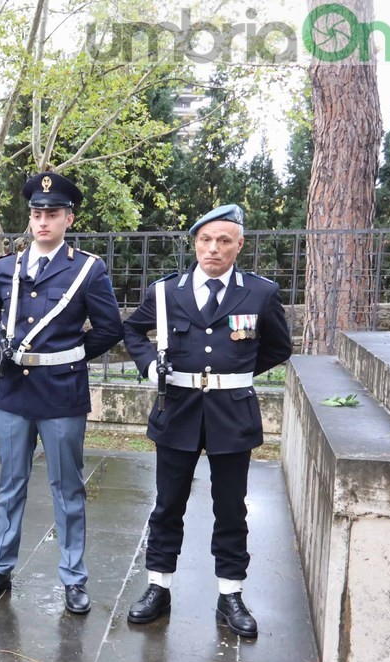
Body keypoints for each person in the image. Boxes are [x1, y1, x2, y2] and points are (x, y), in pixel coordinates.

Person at [123, 203, 292, 638]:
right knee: (167, 506)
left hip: (232, 414)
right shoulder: (167, 291)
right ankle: (158, 587)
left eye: (223, 241)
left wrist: (235, 374)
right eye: (205, 240)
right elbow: (132, 331)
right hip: (176, 410)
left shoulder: (259, 293)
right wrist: (147, 366)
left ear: (238, 245)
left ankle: (230, 594)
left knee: (231, 510)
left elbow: (279, 347)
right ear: (194, 243)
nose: (213, 249)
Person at [0, 172, 124, 613]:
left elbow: (109, 328)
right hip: (15, 392)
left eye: (52, 214)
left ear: (68, 218)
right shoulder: (7, 267)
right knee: (10, 483)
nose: (42, 222)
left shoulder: (87, 269)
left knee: (67, 486)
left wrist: (71, 355)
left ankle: (74, 578)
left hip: (62, 393)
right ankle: (0, 567)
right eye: (36, 214)